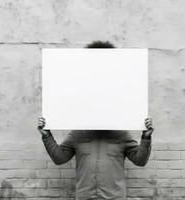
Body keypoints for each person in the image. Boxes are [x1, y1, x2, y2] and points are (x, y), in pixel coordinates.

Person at [38, 41, 154, 200]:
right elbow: (59, 158)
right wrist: (46, 135)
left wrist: (146, 137)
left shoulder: (121, 135)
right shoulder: (78, 134)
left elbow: (140, 161)